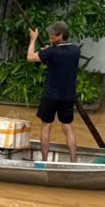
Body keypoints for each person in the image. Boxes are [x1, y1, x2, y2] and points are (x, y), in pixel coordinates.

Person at [28, 21, 81, 163]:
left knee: (46, 127)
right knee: (67, 127)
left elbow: (30, 57)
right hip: (68, 96)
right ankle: (73, 161)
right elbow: (60, 57)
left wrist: (33, 39)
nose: (50, 36)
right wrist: (48, 51)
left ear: (60, 36)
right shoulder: (75, 50)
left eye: (53, 34)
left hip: (50, 96)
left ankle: (45, 161)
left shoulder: (51, 52)